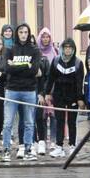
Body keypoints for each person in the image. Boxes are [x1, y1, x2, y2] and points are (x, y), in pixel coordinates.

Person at [0, 23, 41, 162]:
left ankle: (28, 149)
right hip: (12, 90)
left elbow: (34, 70)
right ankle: (5, 150)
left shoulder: (34, 50)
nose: (23, 34)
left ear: (29, 34)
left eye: (25, 32)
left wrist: (16, 66)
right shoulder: (10, 49)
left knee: (29, 122)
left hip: (29, 90)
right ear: (17, 33)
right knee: (8, 123)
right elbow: (7, 69)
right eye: (21, 32)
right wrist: (25, 66)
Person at [44, 38, 85, 157]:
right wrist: (47, 93)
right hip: (59, 96)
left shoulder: (78, 63)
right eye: (65, 47)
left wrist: (80, 98)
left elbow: (79, 82)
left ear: (73, 49)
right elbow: (50, 78)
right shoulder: (56, 61)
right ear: (62, 49)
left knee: (72, 122)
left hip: (73, 97)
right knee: (59, 121)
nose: (67, 50)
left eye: (70, 48)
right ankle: (59, 146)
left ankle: (72, 146)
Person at [35, 27, 60, 156]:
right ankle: (42, 140)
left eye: (47, 37)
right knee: (42, 115)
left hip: (53, 86)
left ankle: (54, 141)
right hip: (40, 86)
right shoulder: (37, 52)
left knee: (54, 115)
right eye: (43, 37)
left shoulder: (55, 51)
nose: (45, 39)